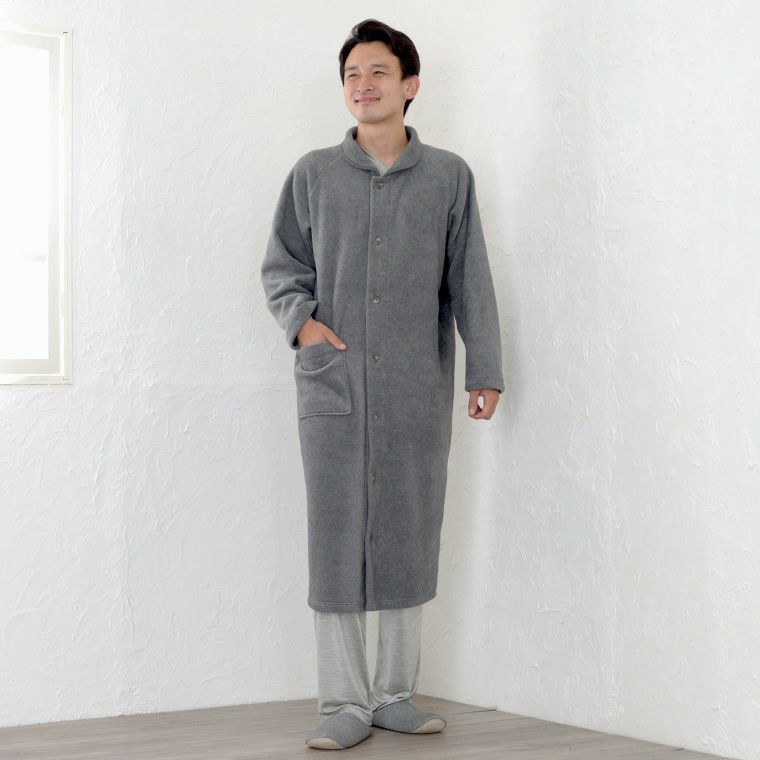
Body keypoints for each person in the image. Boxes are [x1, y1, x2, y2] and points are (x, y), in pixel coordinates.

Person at [260, 18, 505, 750]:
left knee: (407, 529)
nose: (362, 85)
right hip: (332, 388)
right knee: (336, 536)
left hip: (414, 386)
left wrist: (485, 367)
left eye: (377, 72)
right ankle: (342, 702)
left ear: (409, 85)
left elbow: (470, 278)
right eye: (351, 75)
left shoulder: (449, 177)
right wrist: (304, 326)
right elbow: (281, 268)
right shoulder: (312, 174)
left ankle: (395, 694)